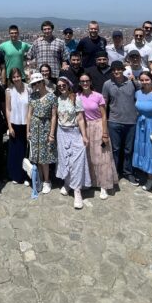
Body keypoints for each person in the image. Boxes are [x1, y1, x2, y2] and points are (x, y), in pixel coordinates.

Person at [77, 74, 117, 199]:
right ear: (79, 83)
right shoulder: (77, 96)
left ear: (90, 82)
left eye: (87, 81)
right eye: (82, 81)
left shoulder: (98, 96)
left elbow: (104, 116)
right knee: (88, 156)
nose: (85, 83)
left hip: (98, 126)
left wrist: (105, 133)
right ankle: (90, 182)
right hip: (85, 128)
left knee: (102, 157)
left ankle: (103, 186)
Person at [55, 76, 91, 210]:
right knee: (64, 159)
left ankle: (77, 190)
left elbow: (80, 118)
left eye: (63, 85)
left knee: (77, 161)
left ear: (68, 85)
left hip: (74, 132)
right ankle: (67, 183)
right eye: (59, 86)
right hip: (61, 132)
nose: (61, 88)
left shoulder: (76, 98)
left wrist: (84, 135)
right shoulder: (58, 99)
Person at [102, 61, 140, 186]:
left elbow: (144, 93)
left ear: (123, 70)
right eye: (114, 70)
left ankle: (128, 172)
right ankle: (115, 172)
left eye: (119, 69)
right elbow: (104, 104)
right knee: (115, 149)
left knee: (129, 149)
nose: (116, 72)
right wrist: (103, 120)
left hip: (131, 121)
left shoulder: (132, 83)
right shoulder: (107, 84)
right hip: (114, 121)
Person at [26, 72, 57, 195]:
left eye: (38, 82)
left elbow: (54, 116)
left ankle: (47, 181)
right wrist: (27, 130)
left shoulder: (52, 96)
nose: (36, 85)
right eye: (34, 83)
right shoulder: (33, 96)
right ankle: (39, 179)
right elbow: (29, 114)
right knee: (37, 156)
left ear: (43, 82)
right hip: (35, 127)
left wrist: (51, 133)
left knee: (45, 157)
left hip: (45, 127)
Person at [5, 68, 30, 186]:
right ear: (11, 78)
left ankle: (26, 176)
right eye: (14, 77)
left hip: (26, 124)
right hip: (14, 124)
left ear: (21, 76)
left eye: (18, 76)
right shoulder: (9, 90)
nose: (16, 79)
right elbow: (8, 109)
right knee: (15, 151)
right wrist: (10, 126)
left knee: (26, 151)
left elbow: (31, 107)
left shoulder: (28, 88)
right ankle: (15, 175)